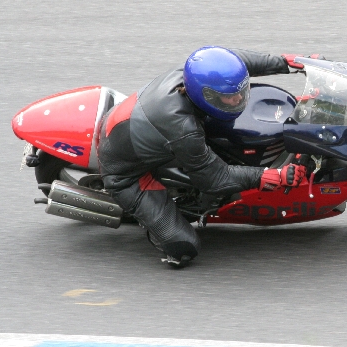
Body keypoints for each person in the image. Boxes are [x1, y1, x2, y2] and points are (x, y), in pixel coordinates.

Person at [96, 46, 315, 268]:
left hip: (139, 127)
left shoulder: (197, 73)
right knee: (184, 248)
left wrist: (288, 62)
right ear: (207, 95)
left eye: (240, 91)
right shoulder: (184, 128)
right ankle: (154, 224)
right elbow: (214, 180)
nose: (239, 98)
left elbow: (239, 62)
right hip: (128, 175)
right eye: (229, 97)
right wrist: (271, 176)